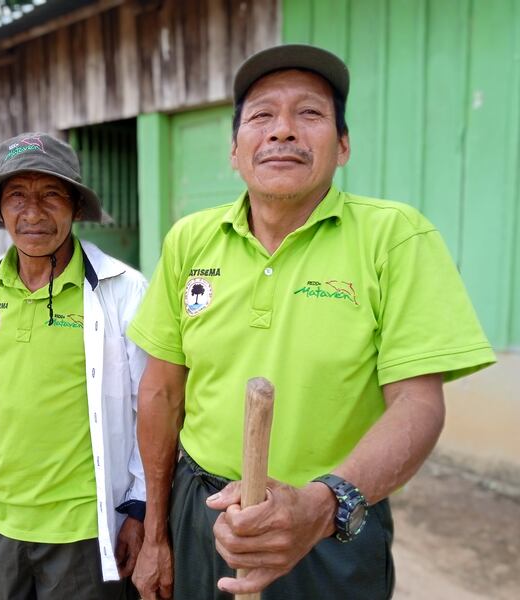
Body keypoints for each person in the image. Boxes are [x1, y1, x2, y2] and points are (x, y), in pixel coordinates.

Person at [127, 44, 496, 600]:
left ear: (343, 146)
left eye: (309, 114)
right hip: (200, 512)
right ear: (234, 150)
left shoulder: (394, 237)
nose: (282, 131)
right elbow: (160, 393)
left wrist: (323, 505)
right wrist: (156, 532)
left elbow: (418, 405)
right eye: (261, 116)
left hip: (334, 526)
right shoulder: (190, 239)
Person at [0, 133, 147, 600]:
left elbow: (149, 406)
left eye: (51, 194)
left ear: (74, 206)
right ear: (1, 210)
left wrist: (139, 506)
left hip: (81, 527)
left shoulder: (122, 290)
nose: (33, 213)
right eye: (17, 196)